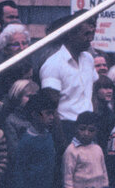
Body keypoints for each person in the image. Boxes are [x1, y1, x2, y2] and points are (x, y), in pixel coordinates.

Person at [40, 14, 98, 143]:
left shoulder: (88, 59)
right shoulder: (53, 64)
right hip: (66, 127)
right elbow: (51, 106)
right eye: (86, 34)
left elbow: (93, 92)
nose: (90, 38)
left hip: (90, 126)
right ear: (71, 34)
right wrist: (62, 141)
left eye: (92, 33)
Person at [62, 111, 108, 188]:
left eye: (91, 130)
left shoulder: (98, 149)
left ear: (96, 131)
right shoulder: (72, 150)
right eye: (82, 129)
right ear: (76, 129)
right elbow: (67, 178)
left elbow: (104, 173)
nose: (86, 133)